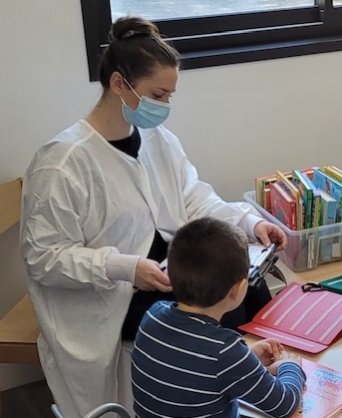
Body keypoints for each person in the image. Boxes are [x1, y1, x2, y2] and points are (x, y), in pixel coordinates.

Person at [19, 16, 287, 417]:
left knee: (251, 288)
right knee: (214, 317)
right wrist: (127, 268)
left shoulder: (157, 139)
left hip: (165, 271)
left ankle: (244, 388)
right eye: (157, 95)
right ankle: (231, 394)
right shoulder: (62, 163)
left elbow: (194, 197)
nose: (164, 106)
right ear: (118, 84)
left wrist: (249, 223)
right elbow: (45, 259)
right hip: (112, 294)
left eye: (169, 96)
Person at [131, 217, 304, 417]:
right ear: (238, 289)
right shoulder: (225, 351)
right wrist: (290, 366)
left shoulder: (152, 315)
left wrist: (247, 359)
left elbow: (191, 364)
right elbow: (284, 404)